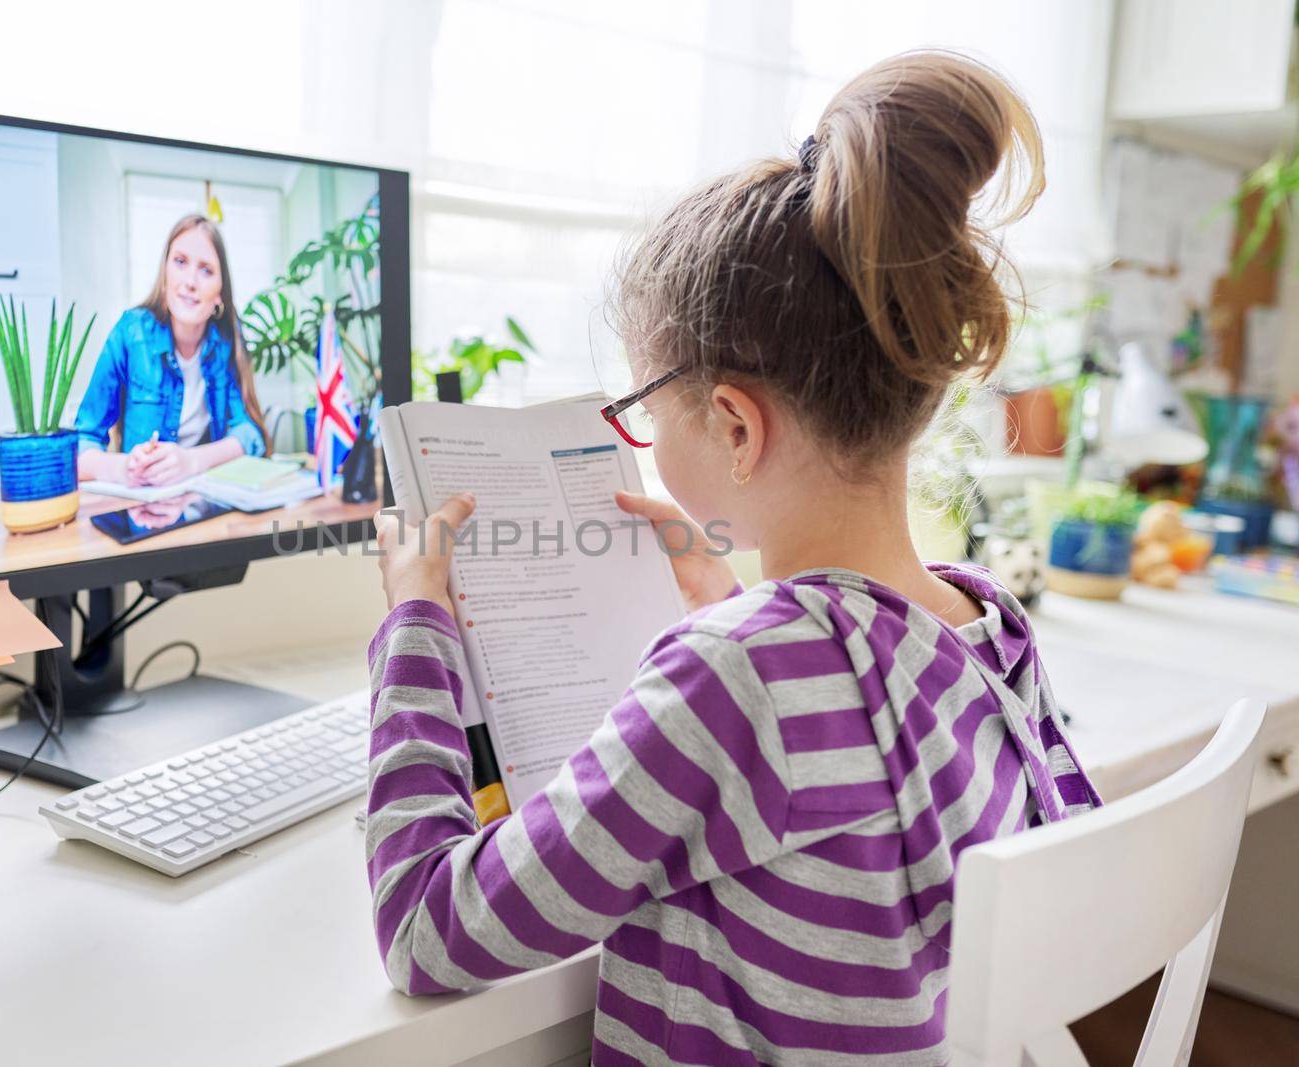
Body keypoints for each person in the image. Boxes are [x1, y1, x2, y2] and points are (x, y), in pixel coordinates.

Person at [364, 51, 1100, 1065]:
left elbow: (428, 932)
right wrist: (732, 600)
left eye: (639, 407)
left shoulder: (739, 675)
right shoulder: (987, 631)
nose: (637, 435)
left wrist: (414, 623)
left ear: (734, 427)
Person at [75, 214, 268, 490]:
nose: (190, 281)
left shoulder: (226, 339)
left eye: (206, 270)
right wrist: (124, 468)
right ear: (164, 276)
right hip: (142, 510)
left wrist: (191, 461)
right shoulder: (130, 332)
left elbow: (250, 434)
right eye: (180, 262)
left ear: (219, 294)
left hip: (205, 505)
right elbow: (81, 442)